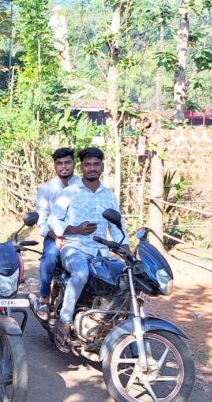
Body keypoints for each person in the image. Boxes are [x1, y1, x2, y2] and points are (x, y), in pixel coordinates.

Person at [47, 147, 129, 353]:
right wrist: (74, 229)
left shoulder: (109, 196)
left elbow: (119, 227)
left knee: (125, 279)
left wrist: (127, 251)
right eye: (87, 164)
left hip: (102, 252)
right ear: (81, 167)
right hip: (75, 248)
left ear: (102, 166)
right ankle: (64, 322)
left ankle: (109, 321)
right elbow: (53, 219)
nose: (92, 168)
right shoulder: (69, 193)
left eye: (96, 164)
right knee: (81, 272)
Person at [34, 148, 81, 320]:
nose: (64, 167)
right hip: (54, 235)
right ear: (54, 165)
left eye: (68, 162)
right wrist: (56, 237)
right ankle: (44, 297)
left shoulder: (82, 185)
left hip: (80, 235)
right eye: (59, 163)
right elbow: (42, 218)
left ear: (74, 164)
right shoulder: (46, 188)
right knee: (50, 256)